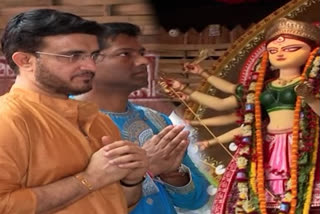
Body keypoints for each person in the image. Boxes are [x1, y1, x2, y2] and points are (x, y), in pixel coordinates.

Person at [163, 18, 320, 213]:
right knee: (260, 195)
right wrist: (185, 88)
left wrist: (310, 97)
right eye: (273, 50)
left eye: (291, 49)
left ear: (311, 54)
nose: (280, 53)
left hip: (303, 144)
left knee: (304, 194)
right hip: (266, 145)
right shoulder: (261, 87)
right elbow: (221, 103)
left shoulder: (313, 84)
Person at [0, 9, 148, 214]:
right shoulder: (8, 119)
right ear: (25, 61)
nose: (90, 66)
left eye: (92, 55)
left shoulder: (99, 121)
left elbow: (114, 203)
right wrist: (89, 179)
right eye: (73, 55)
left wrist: (132, 180)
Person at [75, 22, 210, 214]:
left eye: (141, 53)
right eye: (125, 54)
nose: (144, 62)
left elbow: (197, 200)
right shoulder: (62, 123)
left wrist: (174, 175)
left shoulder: (157, 120)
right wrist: (147, 168)